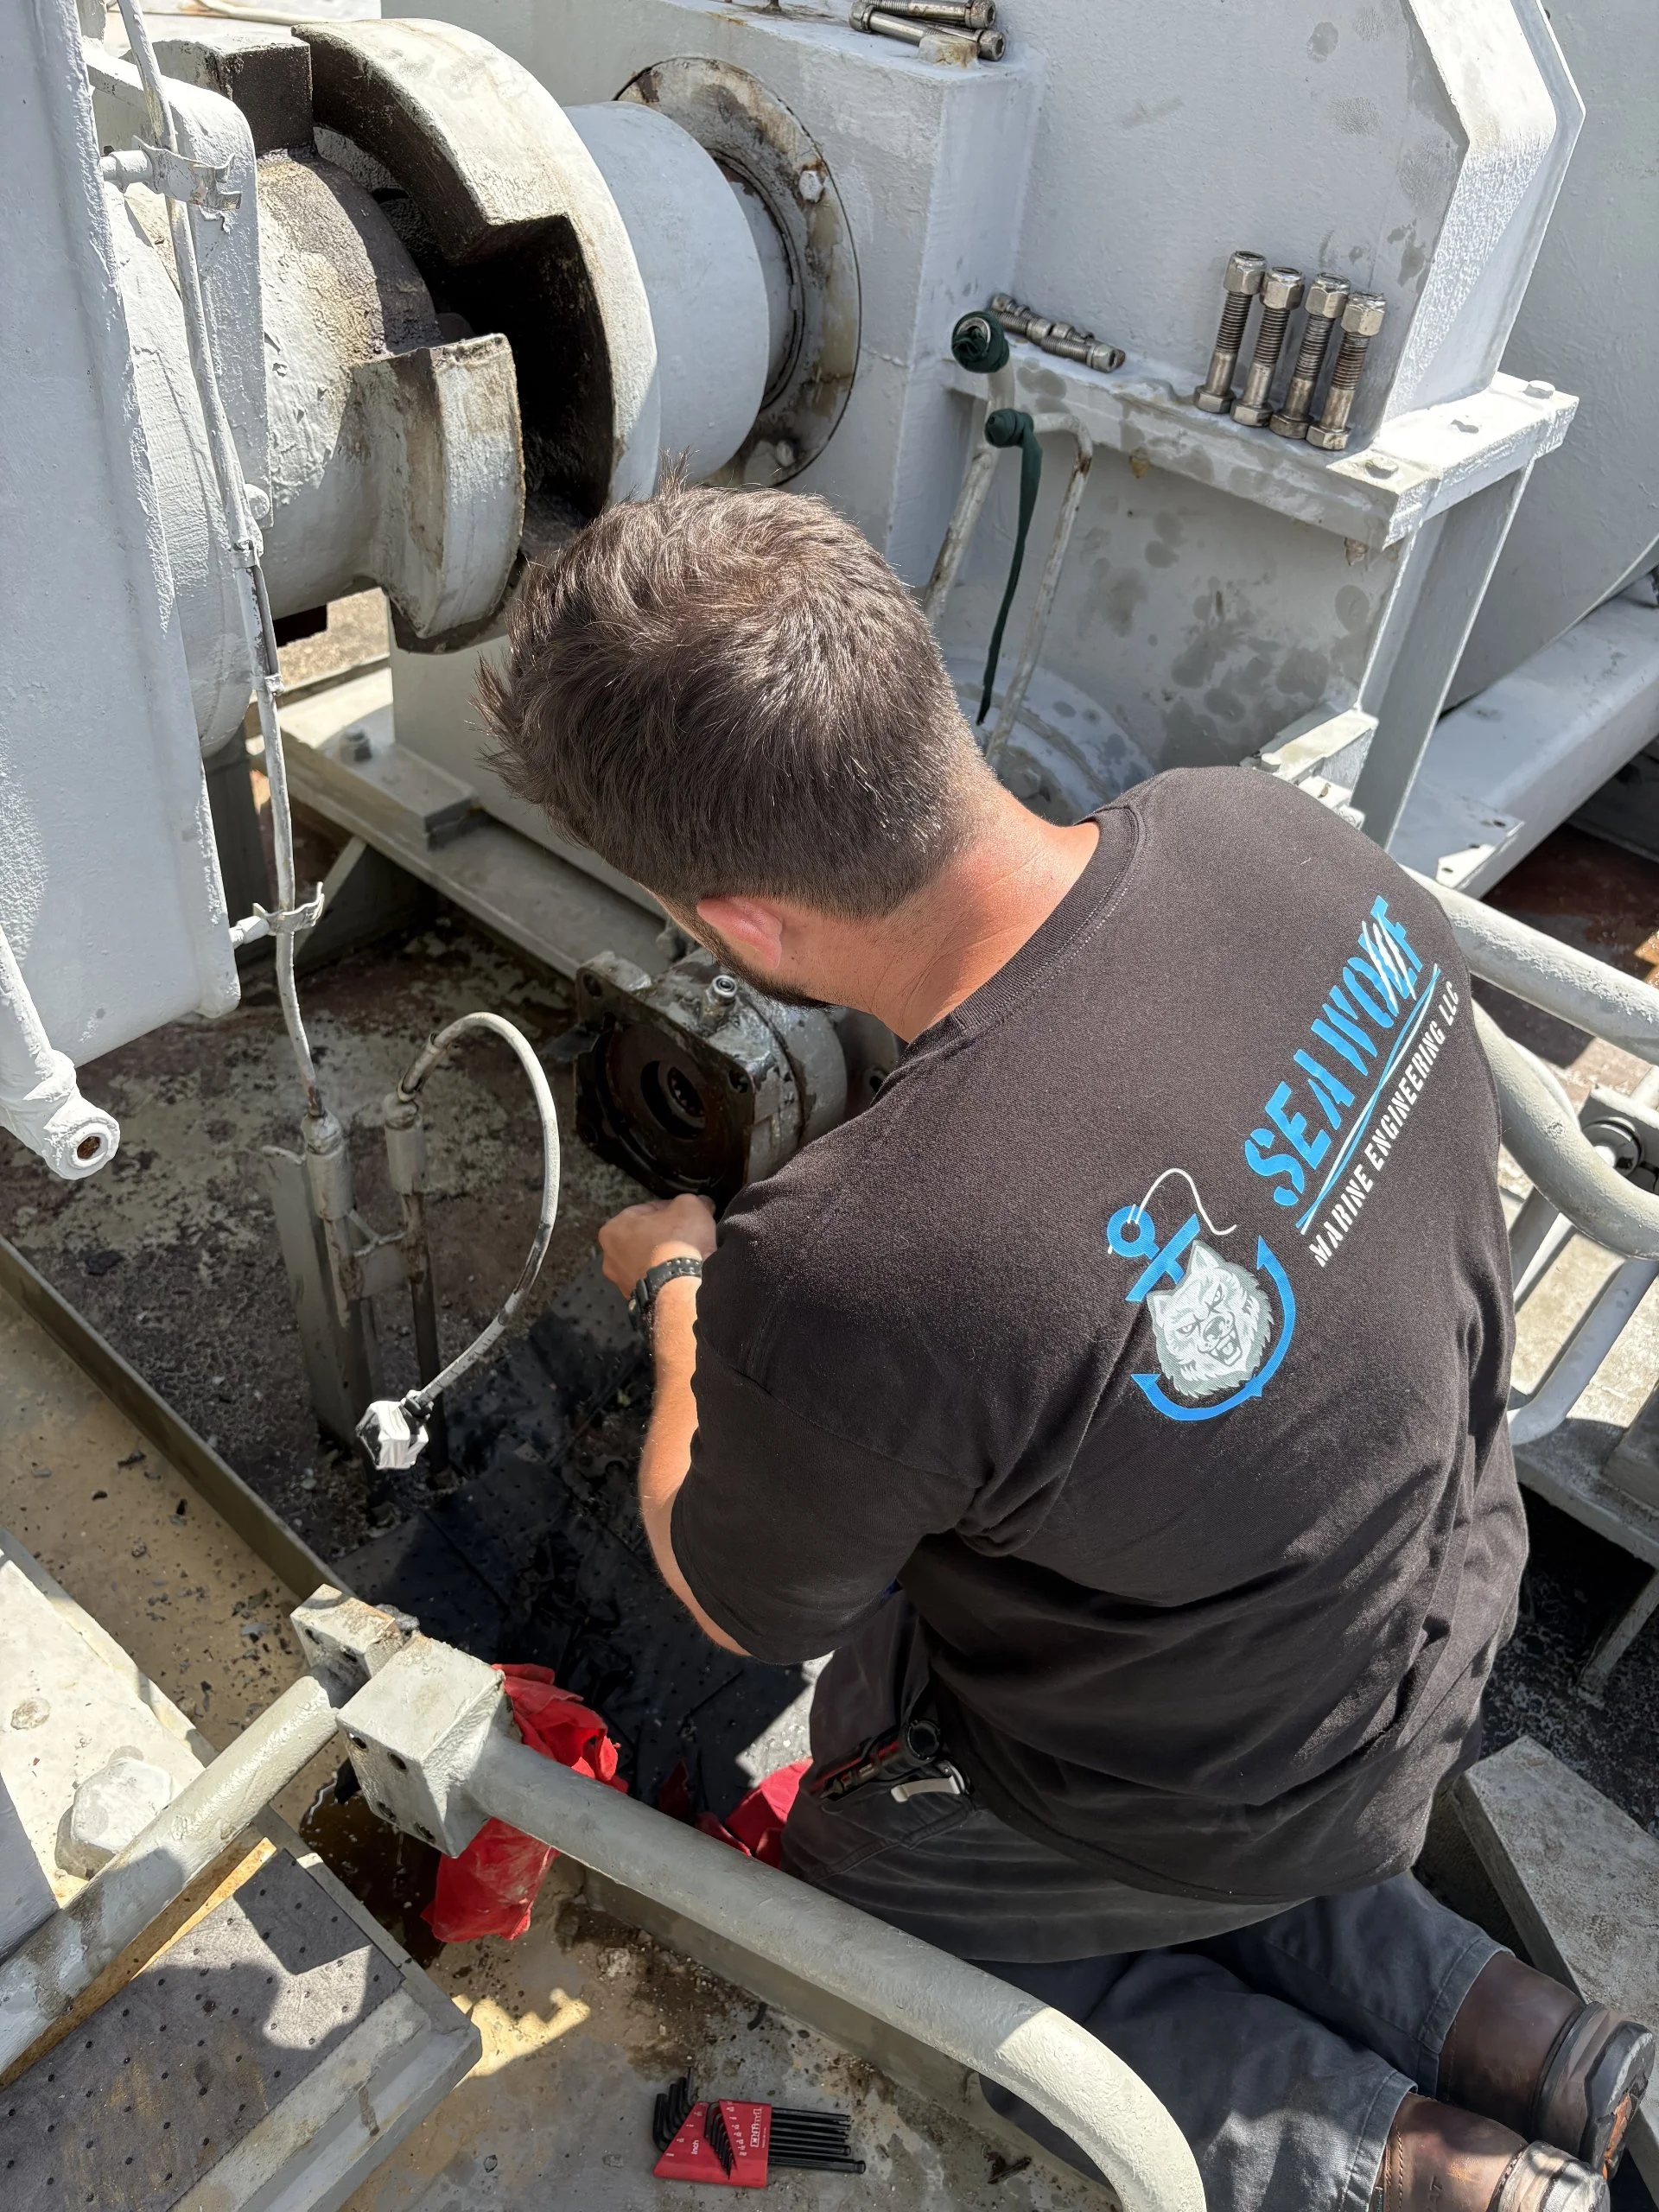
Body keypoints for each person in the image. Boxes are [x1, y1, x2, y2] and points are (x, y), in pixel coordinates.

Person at [480, 485, 1654, 2212]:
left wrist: (678, 1285)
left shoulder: (853, 1269)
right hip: (1433, 1620)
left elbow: (735, 1601)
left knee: (849, 1891)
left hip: (1224, 1779)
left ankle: (1420, 2171)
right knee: (1205, 1757)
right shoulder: (1269, 830)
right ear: (922, 691)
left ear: (736, 923)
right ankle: (1549, 2047)